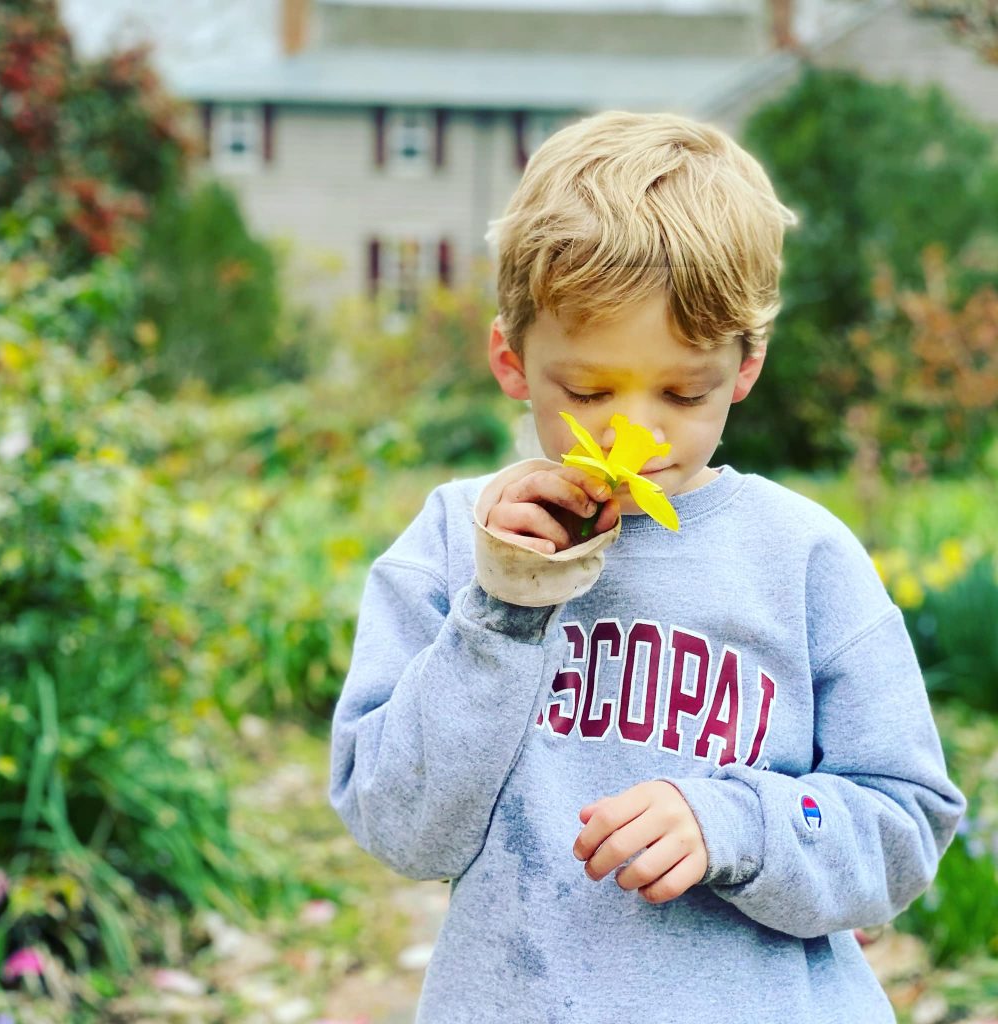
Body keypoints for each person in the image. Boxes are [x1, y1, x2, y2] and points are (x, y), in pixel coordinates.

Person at [329, 111, 964, 1024]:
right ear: (513, 361)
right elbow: (401, 826)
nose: (637, 433)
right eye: (587, 392)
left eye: (683, 391)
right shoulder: (452, 542)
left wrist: (734, 823)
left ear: (744, 367)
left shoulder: (804, 559)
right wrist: (504, 606)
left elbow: (902, 830)